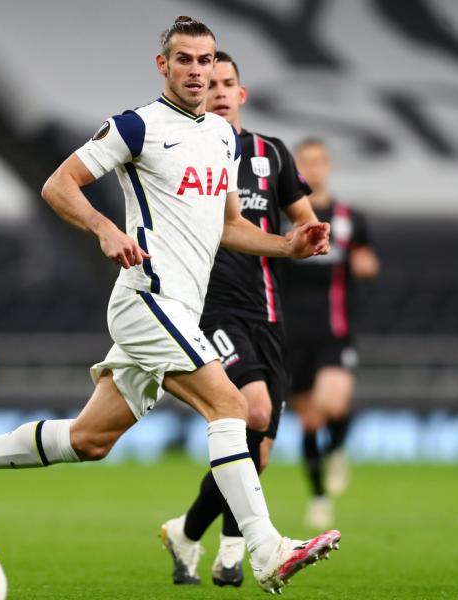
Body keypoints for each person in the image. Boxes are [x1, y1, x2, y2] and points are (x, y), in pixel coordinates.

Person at [0, 16, 338, 594]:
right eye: (183, 59)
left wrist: (287, 244)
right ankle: (265, 549)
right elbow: (59, 184)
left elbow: (230, 225)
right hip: (147, 298)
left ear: (217, 70)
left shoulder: (221, 137)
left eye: (205, 60)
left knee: (89, 440)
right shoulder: (137, 127)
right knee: (230, 407)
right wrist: (105, 228)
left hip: (181, 309)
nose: (196, 71)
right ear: (163, 66)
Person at [158, 51, 327, 588]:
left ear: (242, 92)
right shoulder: (190, 153)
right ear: (199, 94)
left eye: (230, 83)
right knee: (251, 412)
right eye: (212, 85)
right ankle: (238, 548)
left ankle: (187, 531)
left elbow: (303, 218)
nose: (221, 92)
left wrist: (310, 234)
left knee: (260, 451)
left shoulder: (271, 153)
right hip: (210, 306)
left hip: (268, 311)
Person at [284, 138, 380, 529]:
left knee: (335, 403)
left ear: (329, 167)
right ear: (296, 169)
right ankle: (319, 497)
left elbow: (369, 262)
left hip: (334, 327)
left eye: (320, 161)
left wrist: (365, 264)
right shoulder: (282, 215)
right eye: (306, 162)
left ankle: (338, 450)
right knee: (309, 420)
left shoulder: (348, 217)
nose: (314, 167)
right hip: (291, 330)